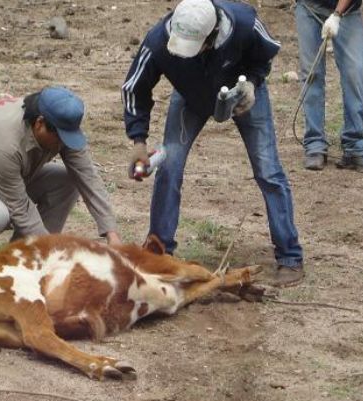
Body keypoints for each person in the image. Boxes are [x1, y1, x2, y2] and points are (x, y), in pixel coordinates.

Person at [121, 0, 304, 287]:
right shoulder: (159, 39)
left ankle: (290, 256)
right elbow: (135, 86)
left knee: (268, 171)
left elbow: (265, 55)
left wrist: (253, 85)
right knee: (169, 168)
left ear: (213, 33)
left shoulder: (244, 24)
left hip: (241, 93)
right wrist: (138, 140)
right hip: (190, 97)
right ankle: (159, 253)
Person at [0, 86, 122, 279]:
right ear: (39, 123)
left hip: (1, 177)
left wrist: (111, 233)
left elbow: (87, 176)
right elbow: (19, 207)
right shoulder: (4, 143)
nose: (63, 144)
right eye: (59, 137)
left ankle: (22, 261)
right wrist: (53, 251)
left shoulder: (59, 123)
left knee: (67, 181)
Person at [296, 0, 363, 172]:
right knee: (311, 74)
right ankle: (314, 145)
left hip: (348, 11)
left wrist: (337, 14)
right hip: (309, 8)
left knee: (354, 73)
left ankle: (355, 147)